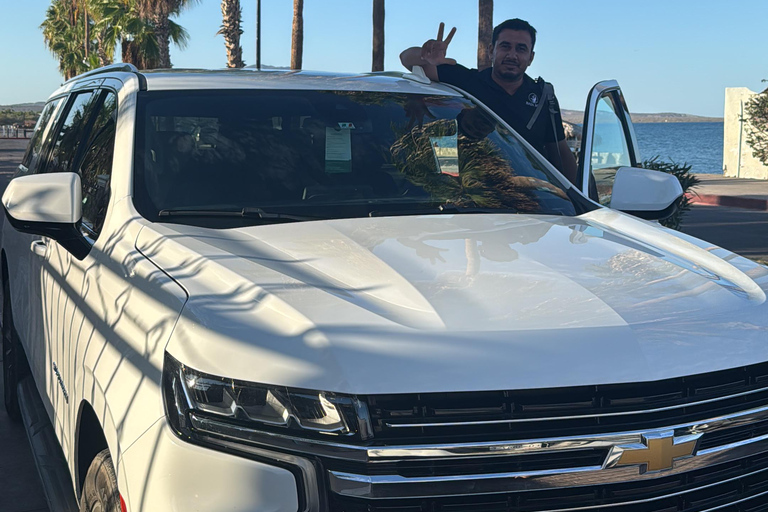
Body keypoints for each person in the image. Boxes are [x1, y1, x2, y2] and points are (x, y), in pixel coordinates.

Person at [400, 19, 578, 185]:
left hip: (535, 199)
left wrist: (581, 198)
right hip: (471, 194)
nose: (512, 55)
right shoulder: (468, 81)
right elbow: (407, 59)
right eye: (505, 46)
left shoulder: (543, 96)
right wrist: (426, 55)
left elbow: (560, 152)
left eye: (521, 49)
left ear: (531, 57)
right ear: (492, 50)